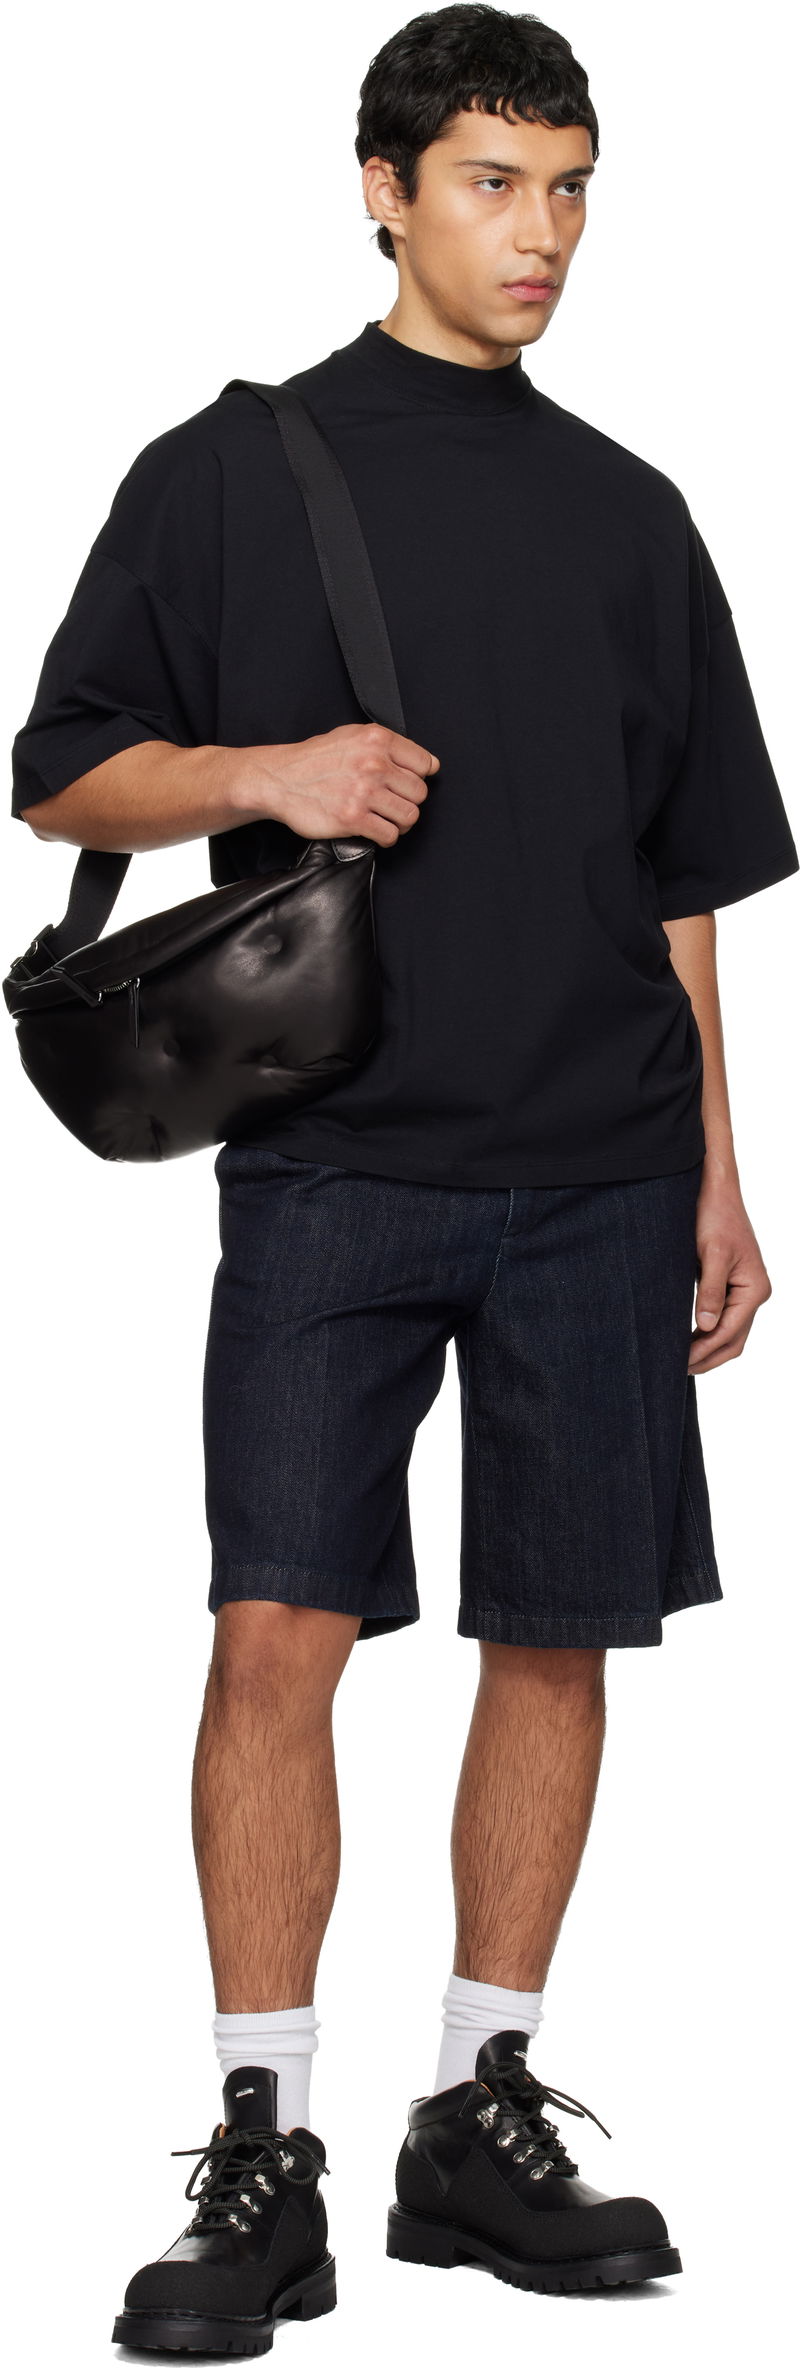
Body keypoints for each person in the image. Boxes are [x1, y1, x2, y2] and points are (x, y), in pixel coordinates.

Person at [10, 3, 798, 2348]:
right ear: (381, 189)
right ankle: (264, 2149)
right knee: (279, 1632)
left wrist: (719, 1174)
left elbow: (682, 880)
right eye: (491, 181)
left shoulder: (632, 512)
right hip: (332, 1163)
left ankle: (480, 2110)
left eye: (569, 188)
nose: (541, 232)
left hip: (599, 1168)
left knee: (558, 1635)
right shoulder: (227, 472)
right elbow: (62, 773)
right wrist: (270, 769)